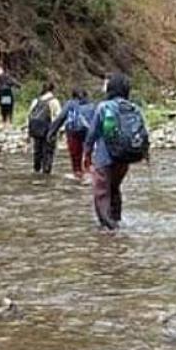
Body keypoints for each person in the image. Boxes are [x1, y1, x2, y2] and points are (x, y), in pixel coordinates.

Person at [84, 73, 149, 231]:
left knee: (101, 191)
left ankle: (108, 227)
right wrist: (146, 153)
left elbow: (92, 133)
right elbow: (142, 132)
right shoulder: (134, 108)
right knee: (114, 189)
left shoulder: (103, 107)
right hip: (124, 157)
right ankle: (117, 221)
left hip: (105, 158)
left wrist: (86, 154)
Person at [48, 87, 94, 181]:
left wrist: (51, 132)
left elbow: (60, 118)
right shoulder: (92, 105)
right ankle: (89, 173)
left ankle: (77, 173)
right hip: (88, 133)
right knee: (88, 154)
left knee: (75, 156)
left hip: (73, 133)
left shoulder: (70, 104)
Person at [27, 83, 62, 174]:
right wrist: (59, 130)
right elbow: (58, 116)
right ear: (52, 90)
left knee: (37, 150)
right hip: (49, 129)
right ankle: (46, 171)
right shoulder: (54, 101)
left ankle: (36, 168)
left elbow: (30, 114)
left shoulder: (36, 100)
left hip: (36, 128)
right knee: (48, 151)